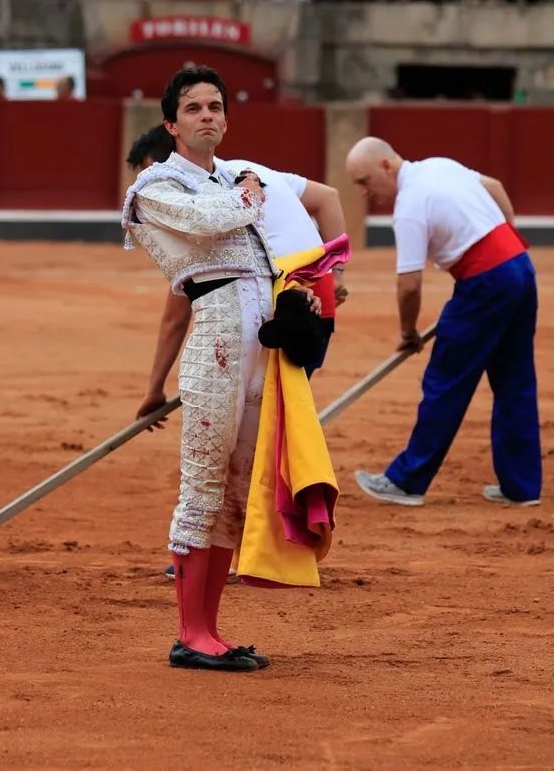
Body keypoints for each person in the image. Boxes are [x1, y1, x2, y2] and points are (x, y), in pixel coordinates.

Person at [121, 65, 324, 672]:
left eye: (214, 107)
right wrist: (251, 192)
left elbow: (267, 250)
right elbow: (205, 221)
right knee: (203, 483)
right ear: (171, 123)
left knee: (236, 487)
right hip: (215, 338)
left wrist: (297, 298)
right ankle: (190, 634)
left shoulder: (236, 179)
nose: (206, 116)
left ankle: (209, 630)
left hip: (259, 344)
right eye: (193, 108)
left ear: (226, 120)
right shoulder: (155, 186)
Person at [127, 124, 348, 579]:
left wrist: (154, 388)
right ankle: (250, 543)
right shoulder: (249, 172)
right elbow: (327, 198)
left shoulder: (213, 198)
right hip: (311, 305)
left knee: (250, 439)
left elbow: (176, 316)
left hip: (276, 314)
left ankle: (238, 547)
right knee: (269, 429)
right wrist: (336, 273)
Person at [345, 137, 541, 508]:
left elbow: (409, 284)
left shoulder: (409, 206)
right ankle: (522, 487)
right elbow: (495, 187)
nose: (365, 192)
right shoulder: (440, 164)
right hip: (519, 268)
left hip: (485, 283)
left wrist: (408, 332)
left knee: (446, 380)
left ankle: (407, 482)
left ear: (386, 165)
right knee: (515, 380)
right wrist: (506, 239)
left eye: (365, 181)